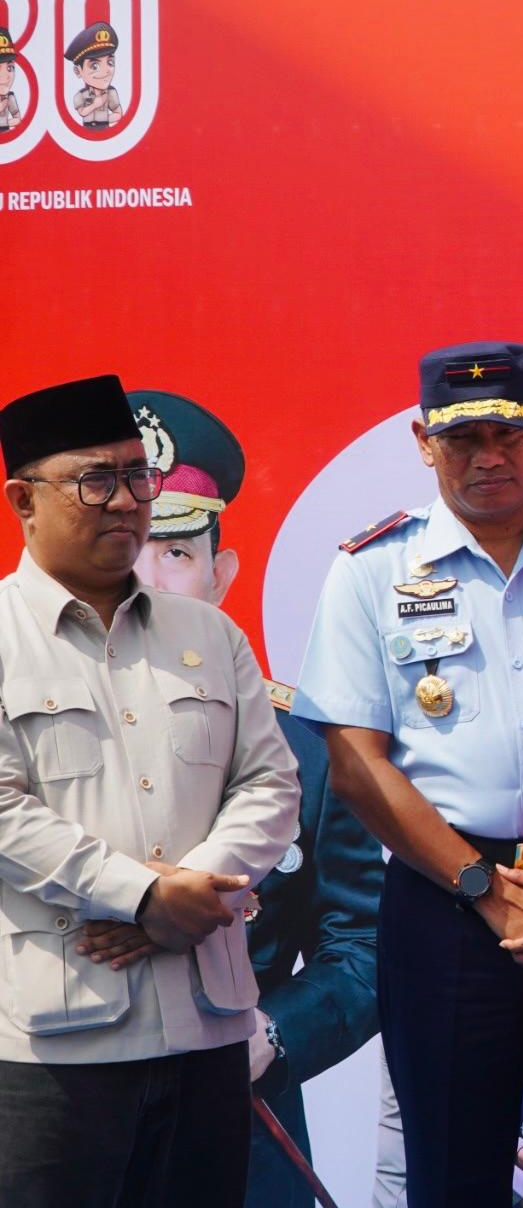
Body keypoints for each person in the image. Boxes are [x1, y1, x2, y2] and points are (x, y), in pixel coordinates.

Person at [296, 341, 523, 1206]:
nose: (488, 457)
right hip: (444, 902)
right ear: (423, 443)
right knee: (453, 1173)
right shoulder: (372, 569)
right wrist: (484, 888)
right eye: (461, 438)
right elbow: (356, 766)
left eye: (508, 433)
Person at [0, 374, 300, 1208]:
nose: (128, 501)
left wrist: (191, 893)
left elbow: (271, 782)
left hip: (207, 1028)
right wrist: (141, 897)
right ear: (23, 500)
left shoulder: (211, 633)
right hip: (54, 1049)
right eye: (96, 480)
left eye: (139, 476)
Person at [106, 389, 384, 1208]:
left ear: (220, 574)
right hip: (59, 1117)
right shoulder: (23, 729)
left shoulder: (305, 751)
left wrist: (273, 1035)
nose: (149, 576)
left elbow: (364, 944)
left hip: (240, 1117)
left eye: (176, 550)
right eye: (126, 545)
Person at [67, 21, 122, 130]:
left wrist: (103, 120)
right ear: (78, 71)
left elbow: (118, 114)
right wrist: (95, 105)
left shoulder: (111, 93)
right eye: (95, 66)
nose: (106, 71)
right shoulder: (81, 95)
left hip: (105, 130)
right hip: (85, 132)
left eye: (110, 63)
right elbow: (82, 112)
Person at [0, 12, 22, 132]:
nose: (6, 76)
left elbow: (18, 119)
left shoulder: (10, 97)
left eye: (10, 68)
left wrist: (4, 124)